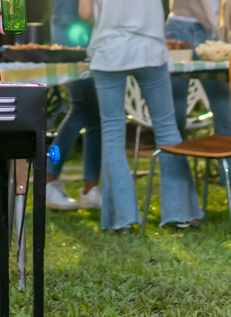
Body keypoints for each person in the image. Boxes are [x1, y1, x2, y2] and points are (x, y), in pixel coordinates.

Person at [80, 0, 204, 232]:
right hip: (150, 49)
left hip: (109, 51)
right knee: (167, 128)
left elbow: (85, 13)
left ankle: (123, 219)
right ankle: (180, 214)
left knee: (113, 134)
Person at [166, 0, 231, 208]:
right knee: (175, 114)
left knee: (224, 111)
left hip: (215, 37)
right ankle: (177, 186)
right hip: (179, 32)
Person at [46, 0, 103, 211]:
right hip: (76, 32)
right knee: (82, 109)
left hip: (71, 29)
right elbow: (86, 11)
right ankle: (48, 180)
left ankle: (91, 189)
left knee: (92, 112)